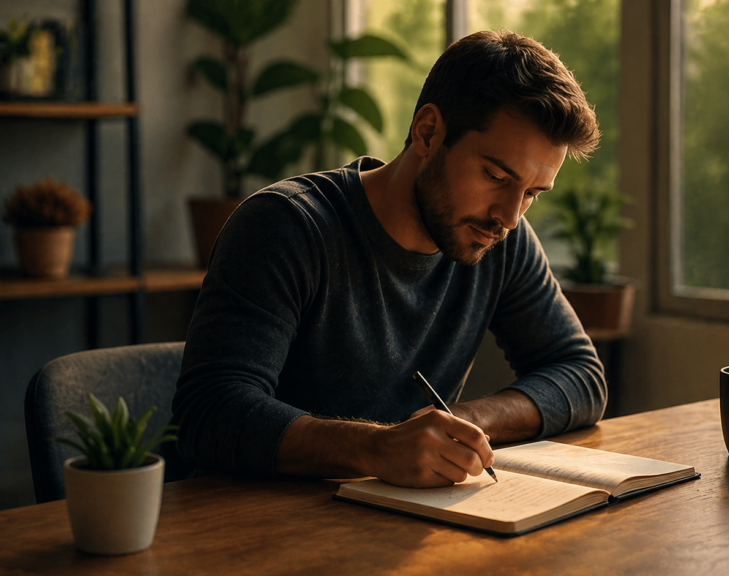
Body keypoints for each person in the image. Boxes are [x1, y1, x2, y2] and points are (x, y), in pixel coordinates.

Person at [171, 29, 606, 488]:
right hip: (252, 526)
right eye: (496, 176)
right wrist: (380, 448)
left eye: (533, 194)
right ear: (428, 132)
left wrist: (456, 421)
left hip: (398, 526)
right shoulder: (286, 226)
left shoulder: (498, 236)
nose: (510, 216)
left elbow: (580, 375)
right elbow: (210, 413)